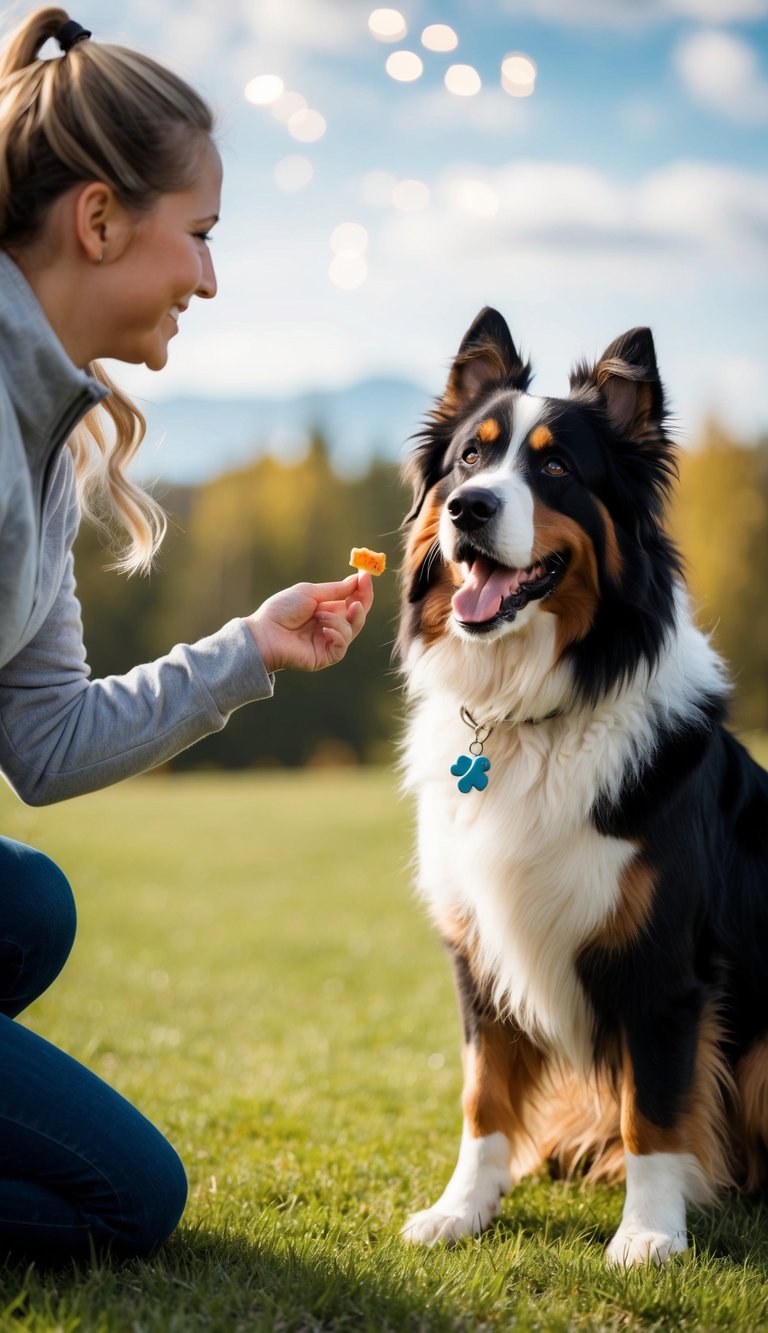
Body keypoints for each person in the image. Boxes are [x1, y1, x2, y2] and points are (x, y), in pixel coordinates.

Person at [0, 7, 374, 1265]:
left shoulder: (43, 435)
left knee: (24, 907)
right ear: (98, 221)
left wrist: (249, 650)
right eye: (199, 236)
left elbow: (43, 739)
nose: (210, 280)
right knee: (126, 1201)